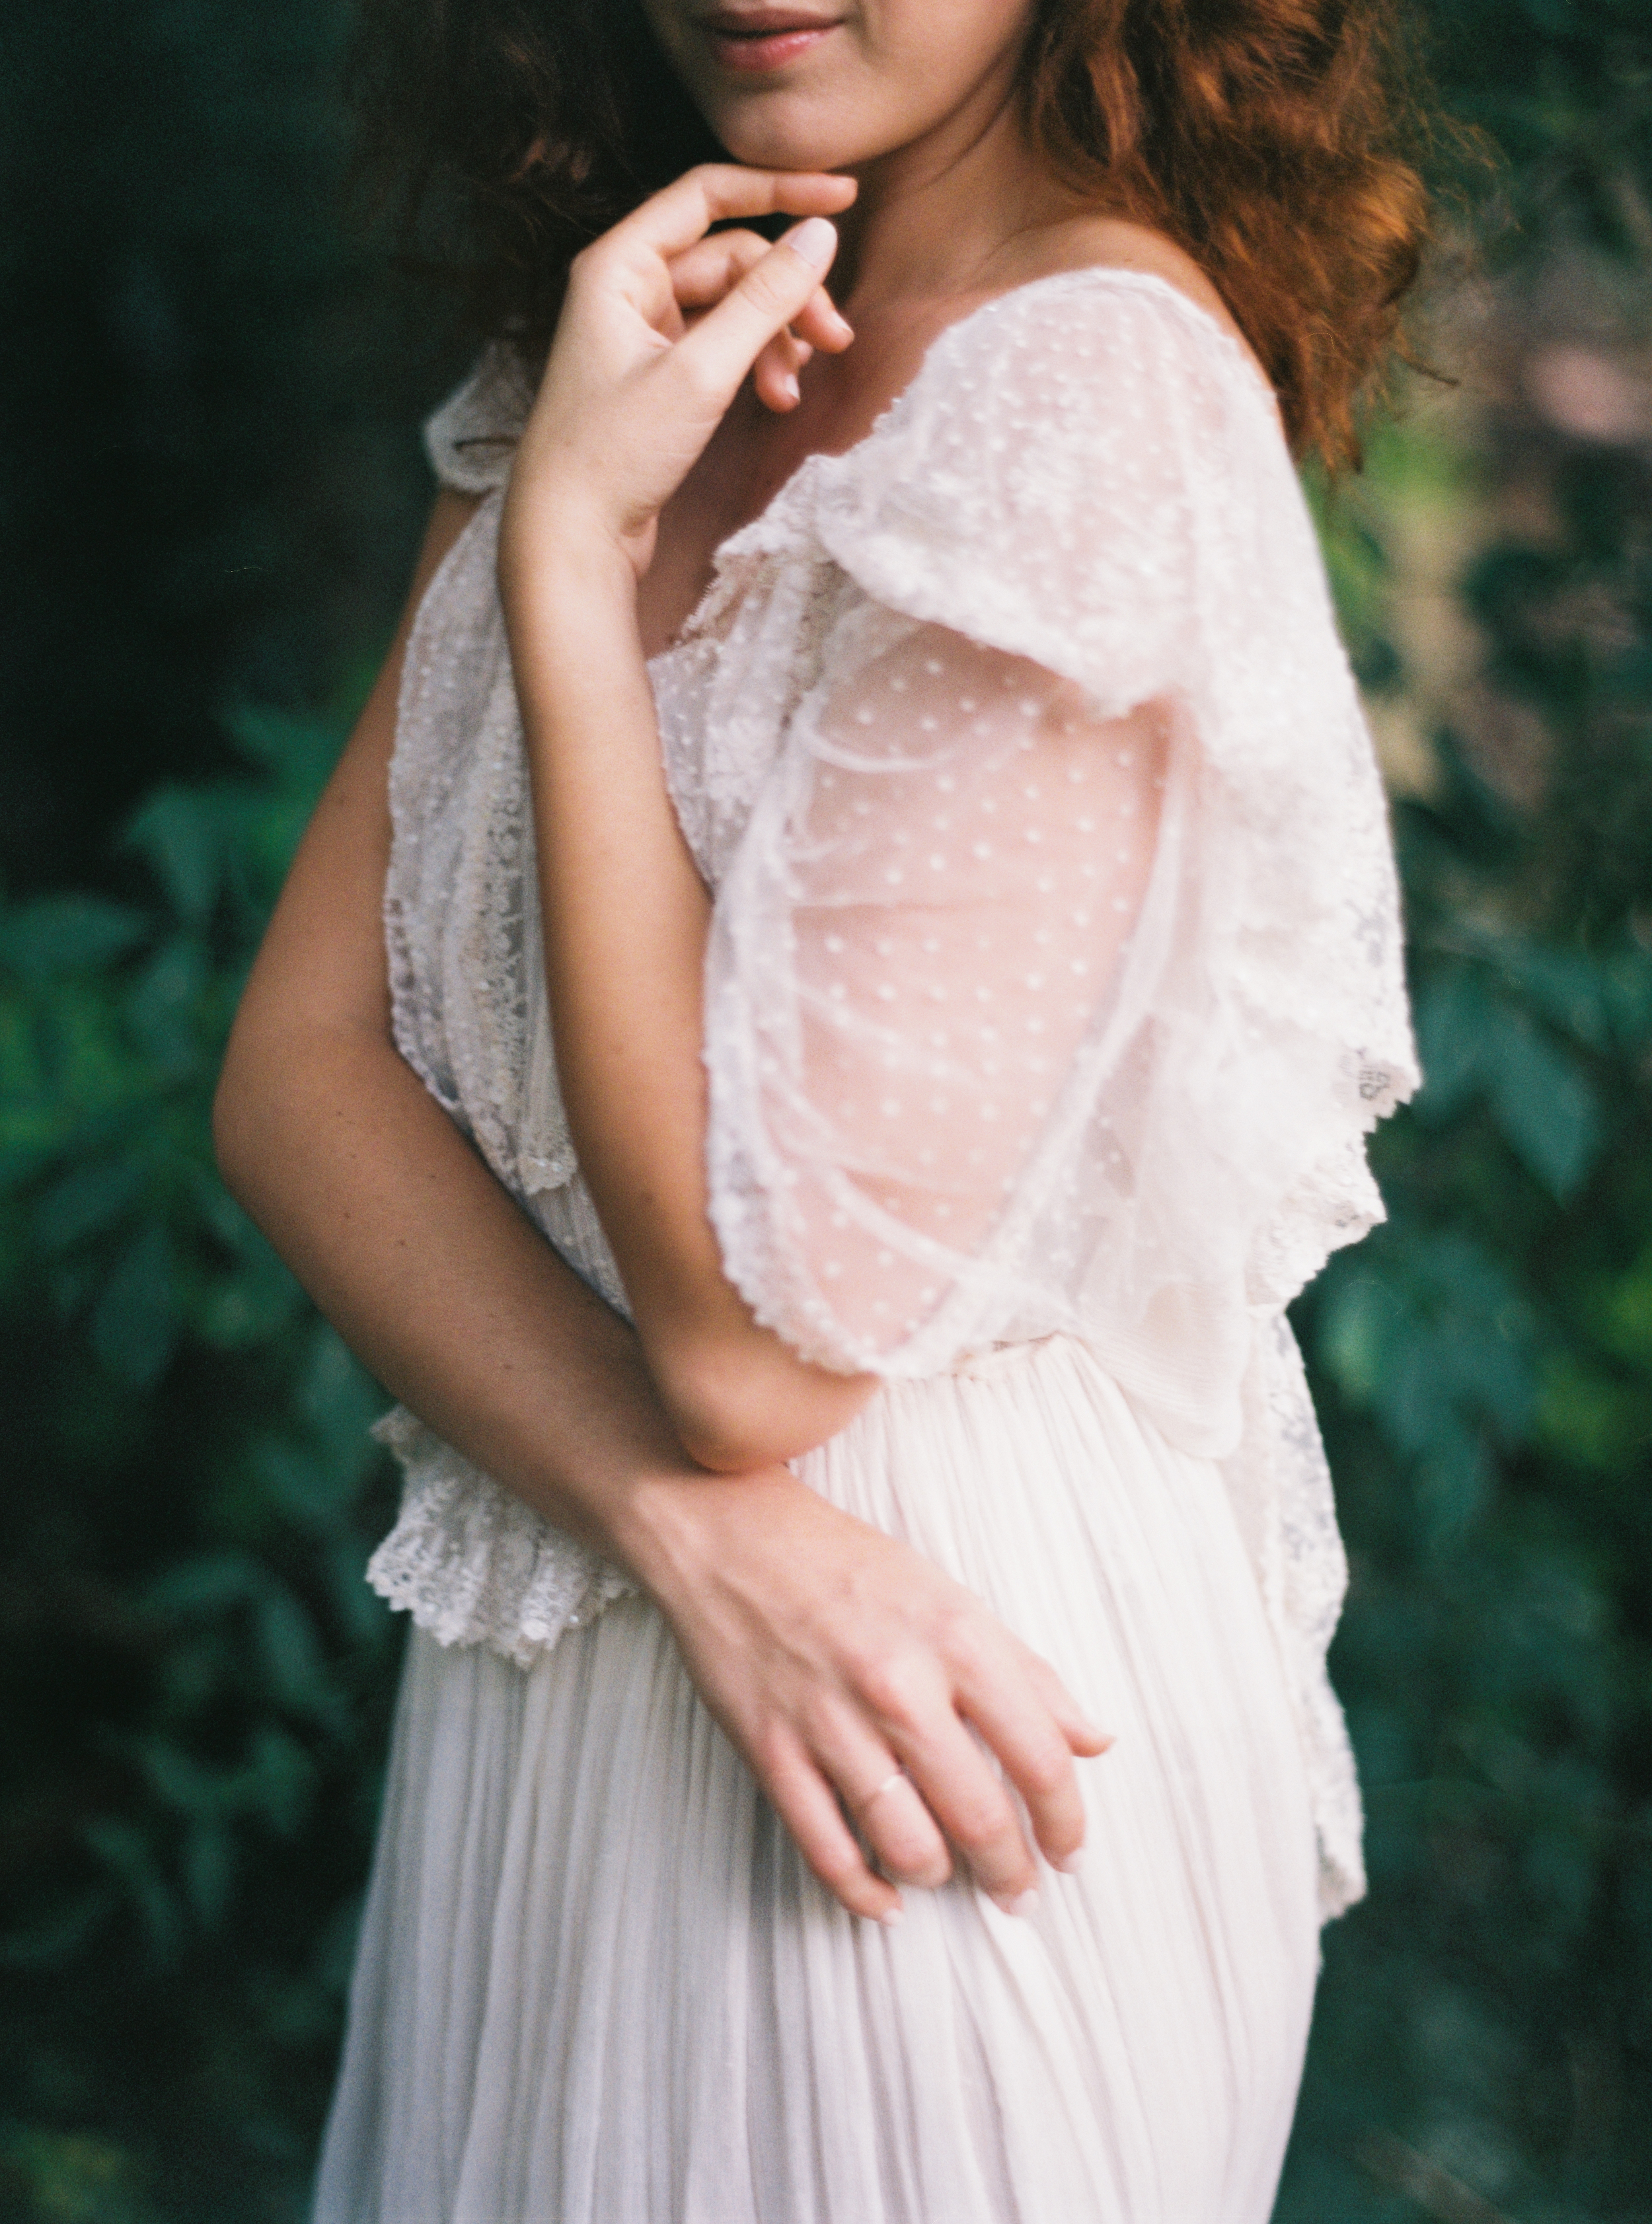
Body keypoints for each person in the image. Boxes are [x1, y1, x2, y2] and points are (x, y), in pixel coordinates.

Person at [215, 0, 1429, 2214]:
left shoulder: (1078, 394)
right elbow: (296, 1078)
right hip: (615, 1634)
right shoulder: (604, 351)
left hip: (926, 1738)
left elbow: (761, 1347)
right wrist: (680, 1531)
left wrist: (573, 569)